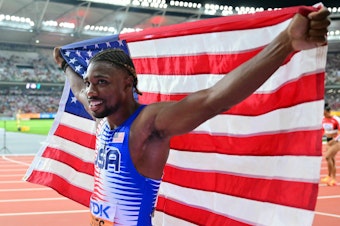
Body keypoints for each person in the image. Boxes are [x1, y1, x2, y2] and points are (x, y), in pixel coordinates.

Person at [53, 7, 330, 226]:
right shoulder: (102, 119)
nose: (91, 90)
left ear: (127, 84)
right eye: (90, 82)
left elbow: (213, 100)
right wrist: (66, 66)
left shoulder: (148, 124)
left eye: (101, 82)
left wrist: (285, 43)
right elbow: (78, 91)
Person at [321, 103, 340, 186]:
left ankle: (333, 178)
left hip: (337, 141)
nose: (324, 115)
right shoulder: (323, 119)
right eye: (323, 113)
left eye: (325, 113)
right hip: (328, 141)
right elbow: (322, 130)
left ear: (329, 112)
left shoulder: (336, 119)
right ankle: (330, 177)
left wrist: (334, 139)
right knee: (331, 159)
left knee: (327, 156)